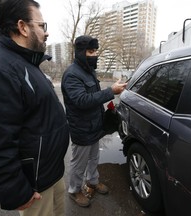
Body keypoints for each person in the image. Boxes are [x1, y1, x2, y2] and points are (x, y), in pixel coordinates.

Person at [0, 0, 70, 215]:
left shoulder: (27, 64)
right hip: (35, 187)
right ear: (22, 27)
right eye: (42, 26)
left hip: (51, 174)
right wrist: (17, 192)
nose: (46, 33)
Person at [61, 35, 127, 207]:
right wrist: (110, 91)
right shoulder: (72, 75)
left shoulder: (89, 71)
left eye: (96, 51)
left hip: (94, 125)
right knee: (79, 162)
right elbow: (82, 101)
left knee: (93, 157)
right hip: (81, 129)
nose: (95, 55)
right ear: (81, 53)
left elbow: (94, 98)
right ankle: (74, 190)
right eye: (91, 51)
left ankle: (92, 181)